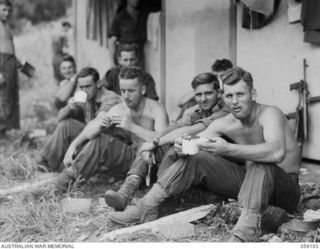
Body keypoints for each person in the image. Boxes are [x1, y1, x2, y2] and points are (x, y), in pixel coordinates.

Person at [109, 67, 301, 242]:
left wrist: (228, 149)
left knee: (261, 161)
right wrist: (178, 146)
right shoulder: (227, 122)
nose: (234, 101)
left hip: (285, 189)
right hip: (251, 186)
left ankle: (245, 231)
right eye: (229, 96)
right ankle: (147, 206)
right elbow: (195, 138)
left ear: (253, 94)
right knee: (196, 158)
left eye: (240, 94)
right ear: (223, 97)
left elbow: (276, 152)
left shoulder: (270, 114)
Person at [104, 72, 230, 211]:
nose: (203, 99)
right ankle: (125, 193)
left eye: (208, 94)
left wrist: (155, 143)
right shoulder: (196, 111)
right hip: (196, 164)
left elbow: (190, 130)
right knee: (153, 145)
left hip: (219, 168)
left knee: (171, 147)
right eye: (199, 95)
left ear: (218, 93)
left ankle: (159, 200)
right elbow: (175, 127)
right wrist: (152, 143)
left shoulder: (225, 111)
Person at [38, 66, 168, 193]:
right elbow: (92, 127)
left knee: (145, 148)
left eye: (131, 91)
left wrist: (132, 127)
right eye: (123, 91)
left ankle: (127, 190)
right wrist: (74, 145)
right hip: (130, 157)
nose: (126, 96)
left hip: (150, 163)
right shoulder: (120, 108)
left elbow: (163, 140)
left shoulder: (156, 109)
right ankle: (61, 185)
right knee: (100, 140)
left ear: (143, 89)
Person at [37, 67, 122, 171]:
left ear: (99, 83)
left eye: (87, 87)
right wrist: (69, 107)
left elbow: (97, 123)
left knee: (77, 131)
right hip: (93, 138)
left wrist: (74, 145)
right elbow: (59, 118)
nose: (84, 91)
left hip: (110, 144)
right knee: (65, 125)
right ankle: (45, 162)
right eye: (81, 87)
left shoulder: (110, 98)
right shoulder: (88, 97)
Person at [108, 0, 148, 69]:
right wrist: (112, 62)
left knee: (139, 77)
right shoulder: (120, 17)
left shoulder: (143, 15)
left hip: (138, 54)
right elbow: (112, 41)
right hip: (125, 54)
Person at [0, 0, 19, 136]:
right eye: (3, 10)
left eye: (8, 10)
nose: (7, 13)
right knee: (4, 97)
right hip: (2, 64)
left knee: (11, 96)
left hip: (10, 63)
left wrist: (17, 62)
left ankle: (6, 130)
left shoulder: (5, 25)